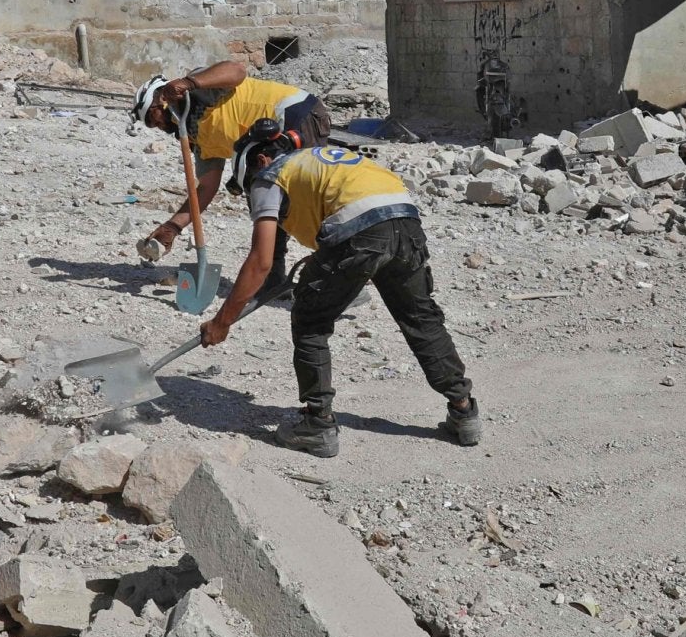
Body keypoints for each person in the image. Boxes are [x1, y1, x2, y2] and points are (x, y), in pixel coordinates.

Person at [201, 117, 478, 458]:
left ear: (258, 161)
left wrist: (222, 321)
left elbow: (261, 262)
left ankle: (317, 425)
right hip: (405, 222)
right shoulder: (321, 157)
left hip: (358, 232)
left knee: (310, 321)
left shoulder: (269, 177)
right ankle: (463, 410)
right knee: (421, 317)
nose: (252, 196)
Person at [131, 60, 330, 299]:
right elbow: (205, 189)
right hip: (265, 145)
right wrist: (172, 228)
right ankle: (273, 280)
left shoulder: (198, 87)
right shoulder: (196, 137)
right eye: (152, 126)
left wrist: (190, 82)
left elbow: (237, 71)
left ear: (162, 98)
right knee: (264, 203)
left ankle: (337, 278)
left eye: (154, 118)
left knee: (299, 202)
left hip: (295, 116)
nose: (159, 126)